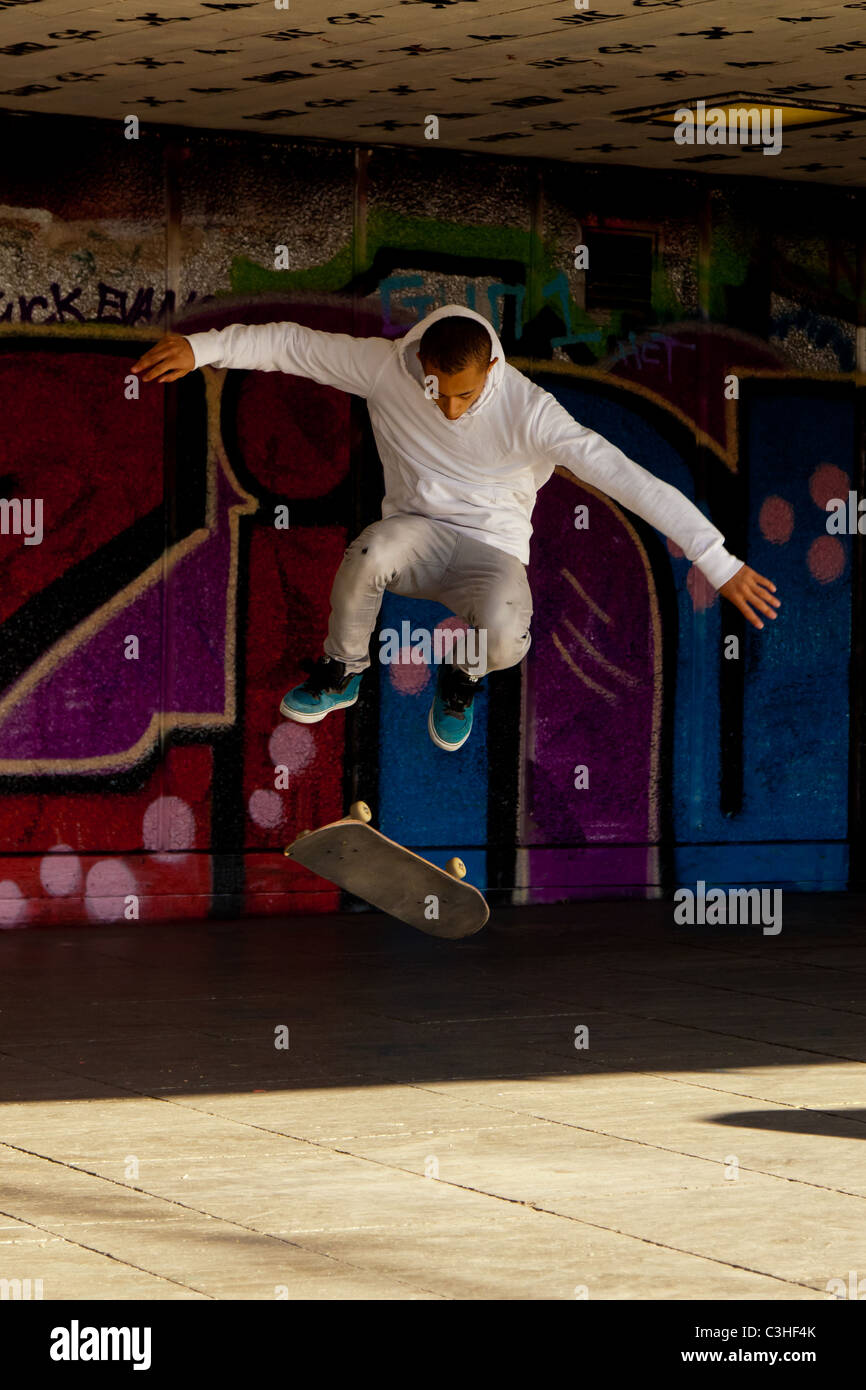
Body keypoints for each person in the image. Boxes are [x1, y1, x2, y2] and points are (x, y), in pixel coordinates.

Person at [131, 305, 779, 752]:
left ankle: (463, 677)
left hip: (491, 557)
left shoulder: (532, 412)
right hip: (415, 534)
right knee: (369, 551)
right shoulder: (387, 366)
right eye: (437, 389)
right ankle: (341, 673)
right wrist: (204, 347)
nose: (448, 406)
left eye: (464, 395)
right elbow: (291, 345)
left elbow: (627, 476)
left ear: (492, 372)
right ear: (419, 359)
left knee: (500, 631)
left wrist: (717, 562)